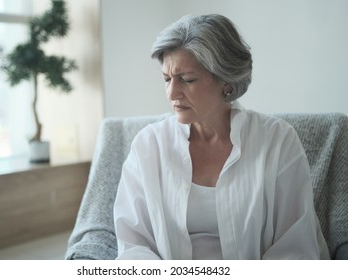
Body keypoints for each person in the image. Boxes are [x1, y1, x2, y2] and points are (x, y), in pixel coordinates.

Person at [113, 14, 329, 260]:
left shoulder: (277, 141)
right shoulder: (148, 146)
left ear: (226, 81)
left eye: (187, 79)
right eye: (166, 79)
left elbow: (295, 247)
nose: (172, 92)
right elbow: (133, 244)